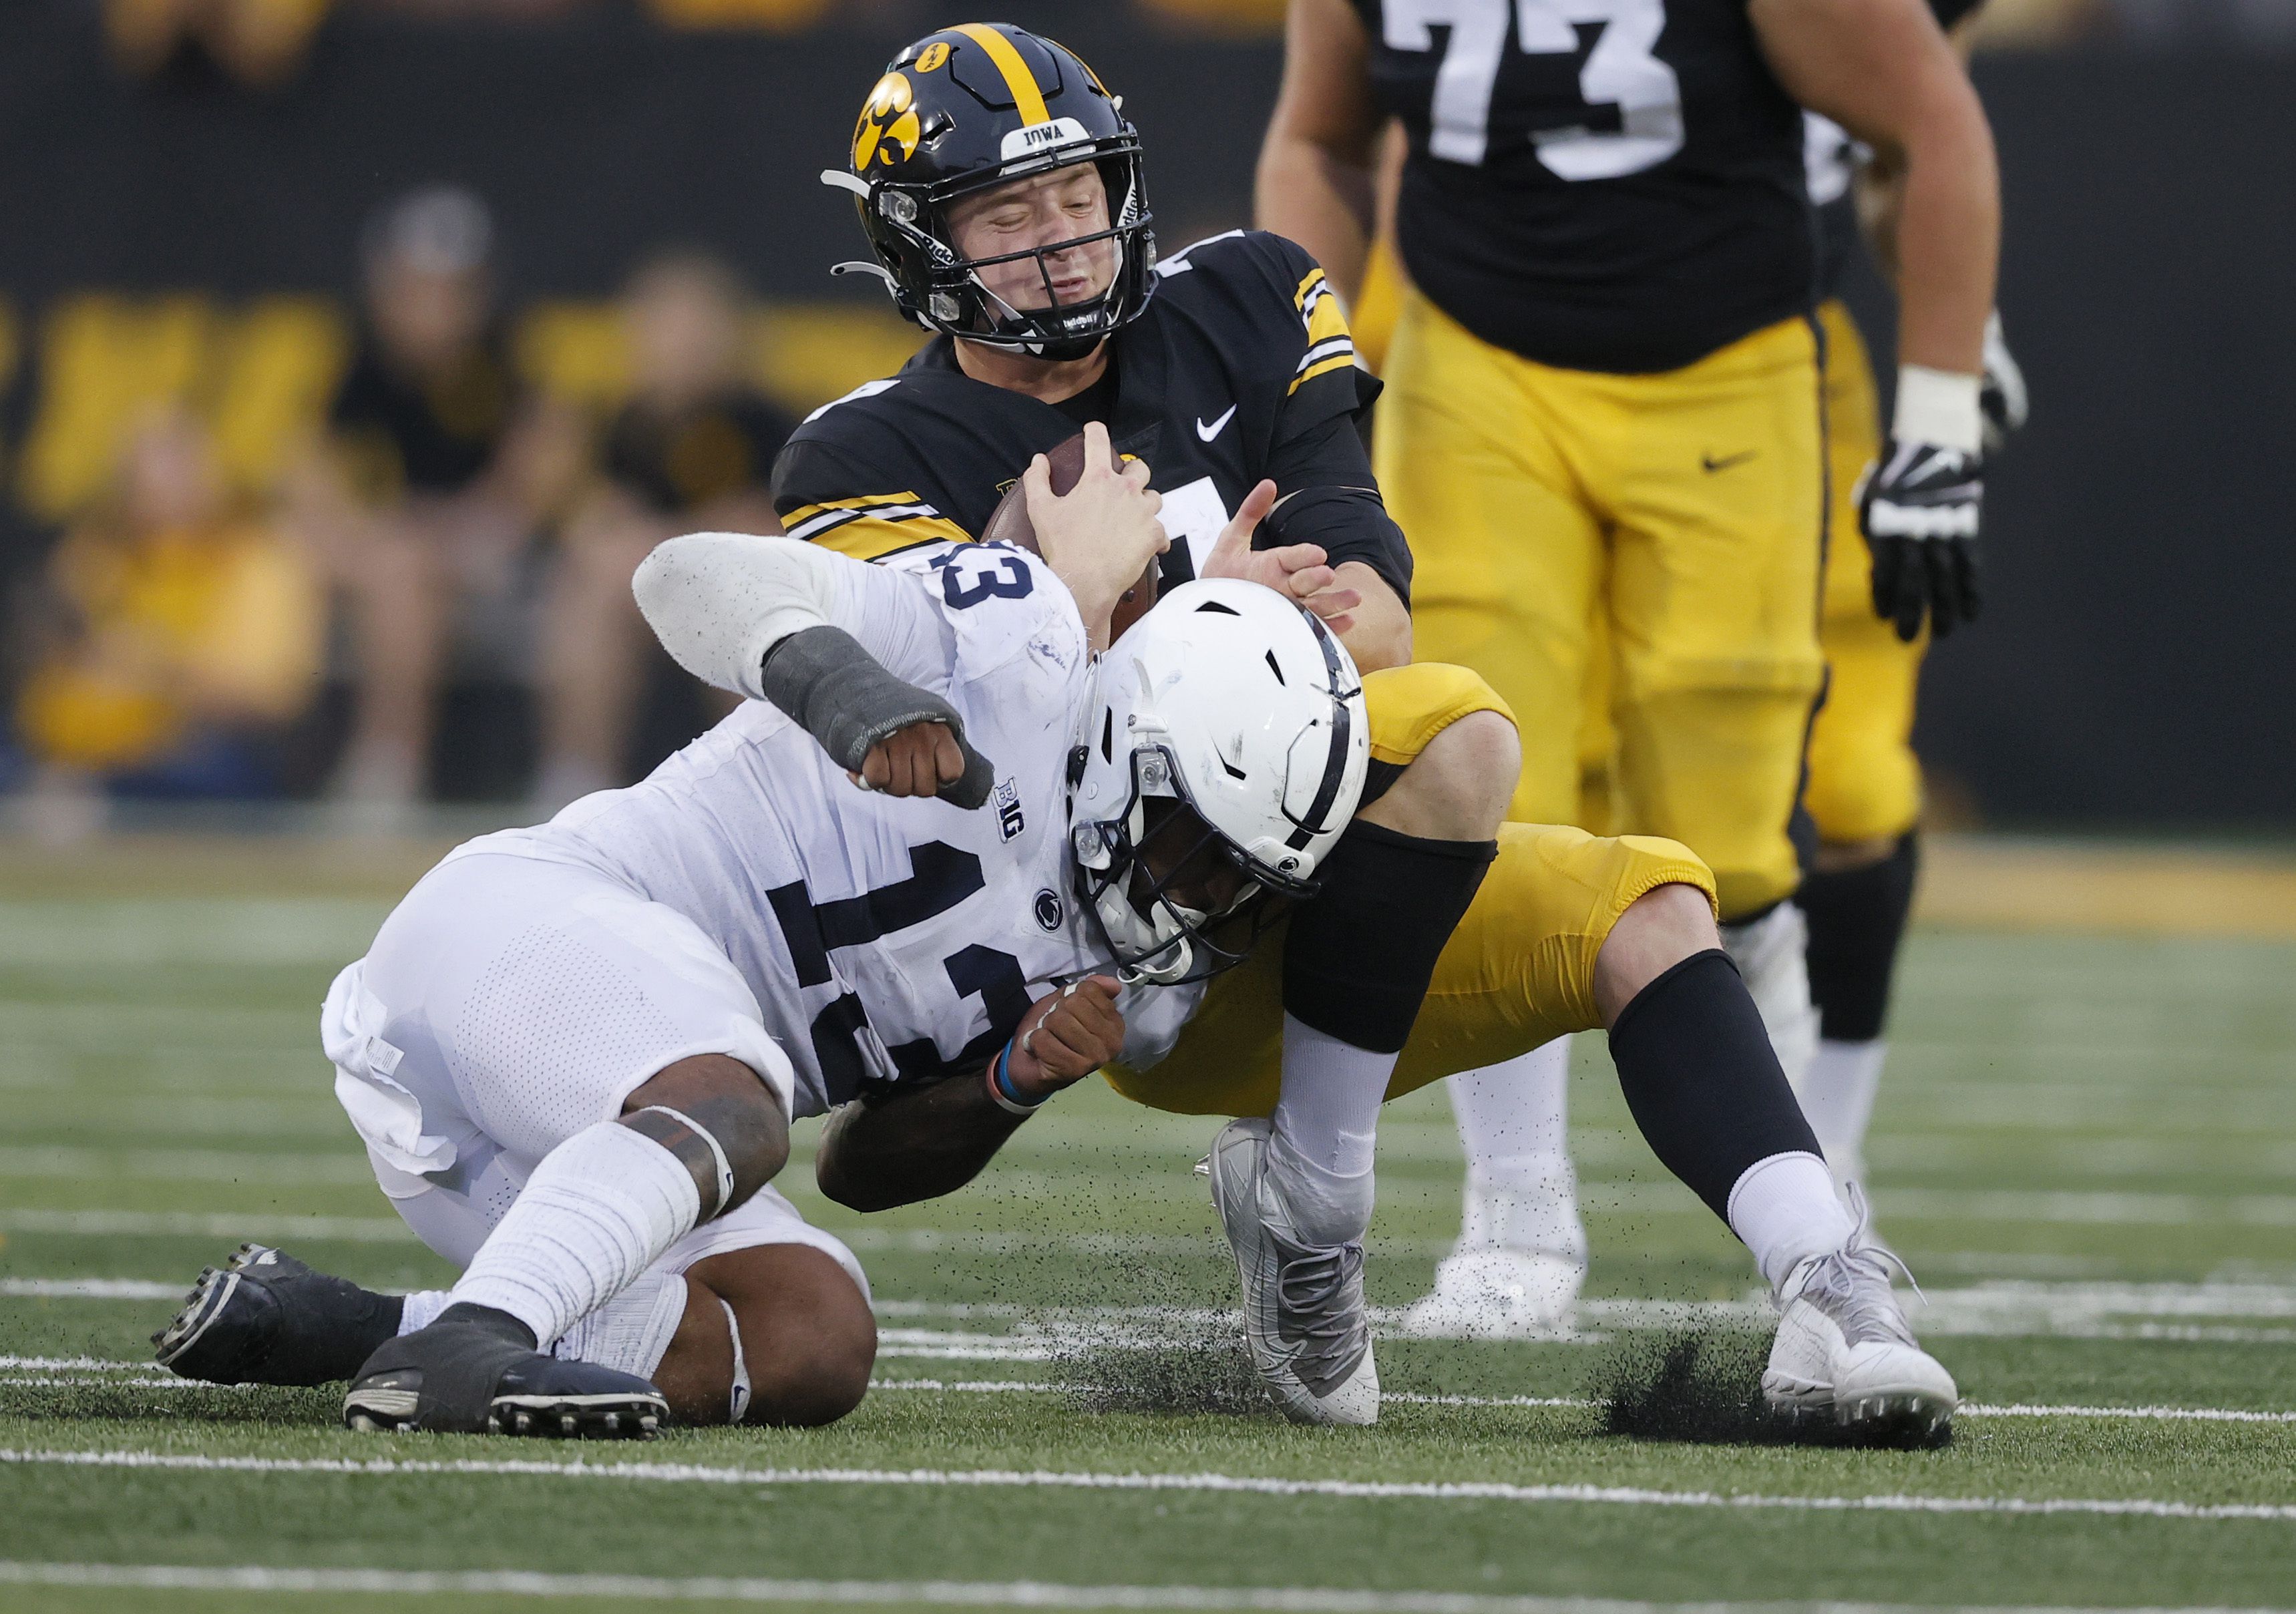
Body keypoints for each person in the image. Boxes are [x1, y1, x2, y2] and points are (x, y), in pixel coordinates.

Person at [1255, 0, 2001, 1334]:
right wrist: (1300, 374)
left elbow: (1929, 121)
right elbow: (1321, 137)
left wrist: (1942, 402)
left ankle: (1811, 1201)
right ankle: (1519, 1217)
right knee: (1486, 771)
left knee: (1737, 837)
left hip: (1725, 364)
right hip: (1472, 355)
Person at [289, 187, 570, 819]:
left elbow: (546, 464)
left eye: (451, 291)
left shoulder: (507, 353)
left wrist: (485, 525)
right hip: (401, 560)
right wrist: (358, 540)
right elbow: (309, 477)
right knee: (397, 569)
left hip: (505, 561)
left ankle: (570, 774)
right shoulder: (358, 361)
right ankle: (388, 768)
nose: (434, 311)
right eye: (416, 290)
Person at [534, 252, 795, 809]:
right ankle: (579, 777)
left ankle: (756, 790)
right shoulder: (618, 426)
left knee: (739, 602)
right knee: (587, 601)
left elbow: (770, 528)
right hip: (634, 595)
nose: (681, 345)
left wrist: (670, 543)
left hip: (732, 599)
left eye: (697, 328)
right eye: (665, 327)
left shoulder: (767, 423)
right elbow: (590, 525)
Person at [14, 405, 323, 809]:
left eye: (175, 478)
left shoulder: (259, 562)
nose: (159, 500)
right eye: (141, 484)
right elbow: (54, 663)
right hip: (88, 741)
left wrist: (158, 671)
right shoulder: (97, 555)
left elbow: (274, 696)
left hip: (207, 750)